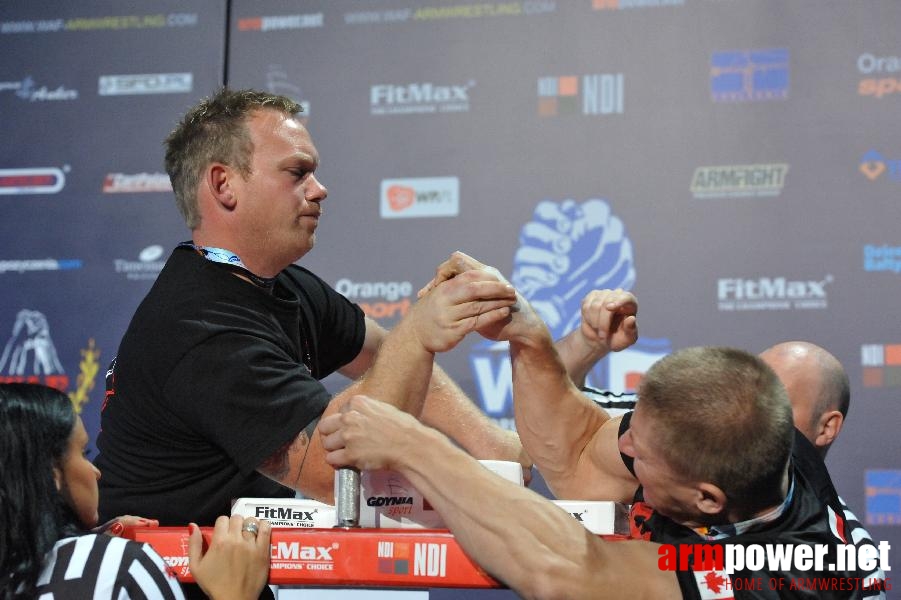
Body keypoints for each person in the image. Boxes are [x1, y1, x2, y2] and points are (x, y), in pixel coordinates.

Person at [321, 252, 879, 598]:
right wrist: (529, 334)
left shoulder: (808, 575)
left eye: (641, 454)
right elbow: (577, 447)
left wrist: (417, 447)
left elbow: (567, 574)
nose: (626, 445)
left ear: (708, 499)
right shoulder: (722, 439)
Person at [95, 88, 527, 527]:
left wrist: (490, 443)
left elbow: (385, 358)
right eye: (297, 172)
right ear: (224, 185)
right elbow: (331, 470)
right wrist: (418, 334)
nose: (320, 190)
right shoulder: (197, 328)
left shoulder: (272, 283)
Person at [0, 382, 270, 600]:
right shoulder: (119, 567)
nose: (95, 471)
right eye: (83, 453)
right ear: (52, 474)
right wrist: (234, 594)